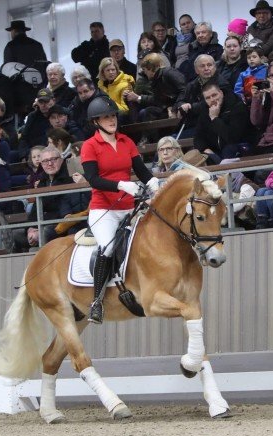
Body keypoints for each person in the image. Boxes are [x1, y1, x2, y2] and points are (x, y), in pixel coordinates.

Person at [80, 96, 158, 324]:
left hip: (129, 208)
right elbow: (94, 179)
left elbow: (141, 170)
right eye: (106, 116)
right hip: (103, 209)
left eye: (113, 115)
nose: (111, 119)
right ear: (96, 121)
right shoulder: (90, 146)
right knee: (107, 248)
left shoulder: (126, 141)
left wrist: (154, 183)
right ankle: (96, 301)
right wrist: (121, 185)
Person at [13, 146, 89, 252]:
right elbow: (36, 208)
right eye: (45, 161)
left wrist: (39, 227)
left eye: (53, 159)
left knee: (45, 233)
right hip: (46, 222)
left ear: (61, 159)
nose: (49, 164)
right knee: (16, 235)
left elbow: (64, 208)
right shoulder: (42, 180)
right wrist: (30, 229)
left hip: (66, 223)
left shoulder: (71, 175)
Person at [194, 82, 253, 161]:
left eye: (214, 95)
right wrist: (206, 150)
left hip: (241, 147)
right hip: (216, 152)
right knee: (200, 155)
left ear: (221, 93)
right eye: (208, 98)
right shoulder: (205, 110)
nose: (212, 99)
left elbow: (232, 138)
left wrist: (214, 118)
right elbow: (198, 137)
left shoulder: (237, 105)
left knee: (228, 150)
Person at [124, 53, 186, 122]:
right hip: (169, 108)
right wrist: (138, 98)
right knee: (149, 111)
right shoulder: (155, 80)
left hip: (181, 106)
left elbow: (184, 90)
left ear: (150, 68)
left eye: (144, 70)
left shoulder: (169, 72)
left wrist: (174, 108)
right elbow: (157, 99)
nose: (144, 73)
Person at [15, 88, 55, 161]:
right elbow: (24, 138)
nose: (43, 105)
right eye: (41, 102)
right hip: (34, 154)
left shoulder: (60, 114)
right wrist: (24, 155)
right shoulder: (32, 116)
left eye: (46, 101)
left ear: (53, 101)